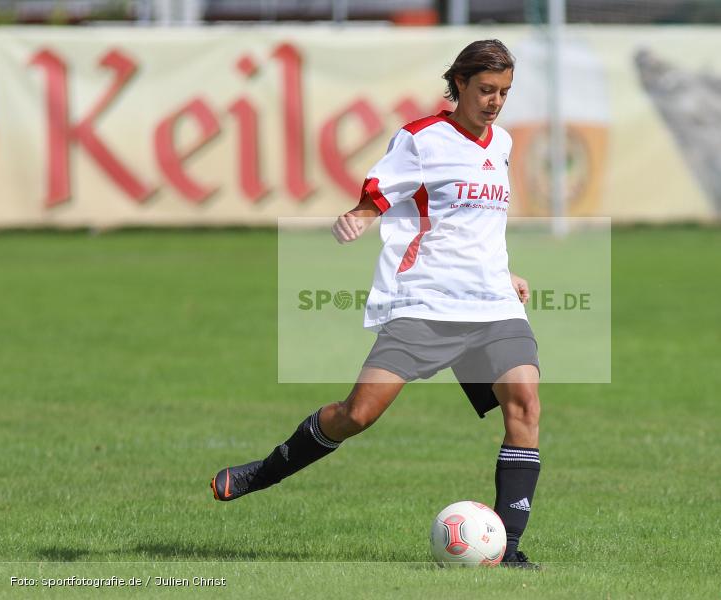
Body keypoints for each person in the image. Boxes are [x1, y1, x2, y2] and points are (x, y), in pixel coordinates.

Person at [210, 39, 542, 569]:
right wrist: (358, 218)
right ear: (458, 84)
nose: (495, 101)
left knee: (524, 405)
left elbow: (476, 226)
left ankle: (510, 551)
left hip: (492, 303)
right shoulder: (421, 139)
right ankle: (262, 472)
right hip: (426, 302)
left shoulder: (500, 144)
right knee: (356, 415)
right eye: (486, 90)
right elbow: (377, 195)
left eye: (504, 92)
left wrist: (504, 272)